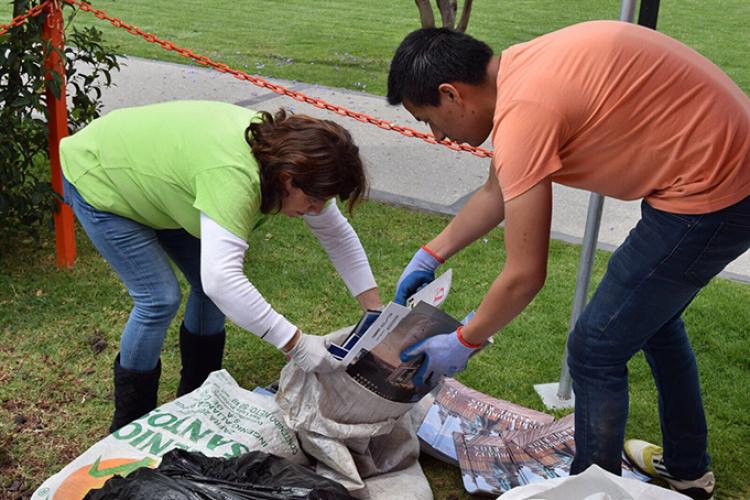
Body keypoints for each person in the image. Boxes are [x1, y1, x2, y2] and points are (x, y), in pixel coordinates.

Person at [387, 21, 750, 499]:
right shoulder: (517, 71)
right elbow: (498, 190)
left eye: (429, 119)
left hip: (716, 192)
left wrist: (463, 341)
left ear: (451, 94)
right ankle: (687, 469)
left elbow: (524, 275)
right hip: (710, 167)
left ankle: (589, 491)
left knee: (596, 347)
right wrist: (430, 255)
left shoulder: (525, 112)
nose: (436, 135)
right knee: (652, 321)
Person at [60, 100, 382, 433]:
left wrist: (375, 314)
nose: (316, 210)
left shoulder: (292, 164)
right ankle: (129, 425)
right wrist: (296, 343)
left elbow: (337, 235)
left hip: (163, 184)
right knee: (159, 298)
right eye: (313, 201)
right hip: (101, 174)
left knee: (207, 293)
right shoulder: (235, 177)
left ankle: (198, 400)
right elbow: (221, 279)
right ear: (288, 178)